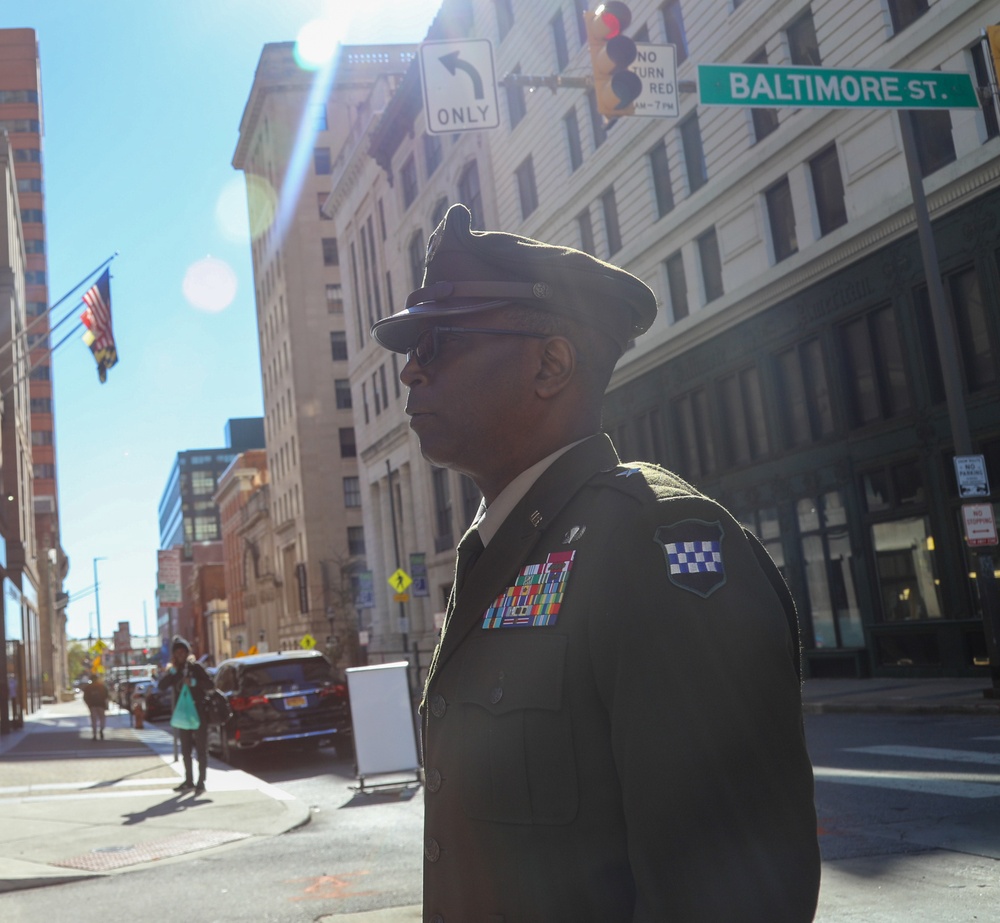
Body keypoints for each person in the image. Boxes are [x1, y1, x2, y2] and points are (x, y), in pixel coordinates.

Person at [371, 204, 821, 922]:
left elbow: (734, 896)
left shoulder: (656, 546)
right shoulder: (503, 553)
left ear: (551, 363)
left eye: (439, 340)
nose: (411, 370)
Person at [158, 635, 214, 795]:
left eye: (183, 651)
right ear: (174, 654)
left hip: (199, 713)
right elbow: (161, 686)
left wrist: (195, 683)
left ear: (187, 652)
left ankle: (201, 782)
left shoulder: (196, 667)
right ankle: (189, 780)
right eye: (177, 652)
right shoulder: (174, 671)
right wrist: (171, 673)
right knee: (186, 750)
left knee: (202, 749)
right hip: (183, 716)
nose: (181, 654)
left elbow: (210, 684)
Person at [81, 673, 109, 741]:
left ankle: (94, 734)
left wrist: (88, 704)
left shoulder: (88, 687)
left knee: (94, 720)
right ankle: (101, 730)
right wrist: (106, 705)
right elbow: (106, 696)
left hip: (92, 705)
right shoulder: (102, 686)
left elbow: (85, 698)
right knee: (102, 718)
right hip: (101, 705)